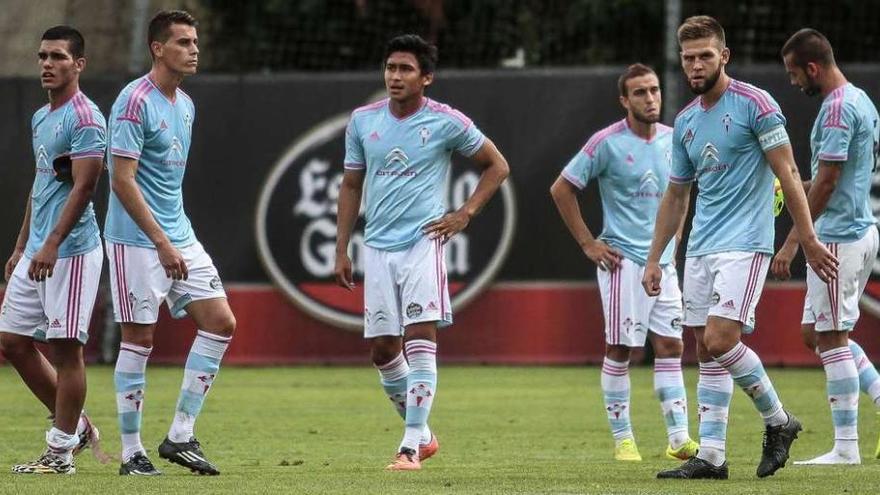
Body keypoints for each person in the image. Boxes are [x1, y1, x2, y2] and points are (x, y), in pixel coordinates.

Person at [643, 15, 838, 480]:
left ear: (723, 56)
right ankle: (711, 456)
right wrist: (655, 257)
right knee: (703, 349)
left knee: (720, 339)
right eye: (688, 58)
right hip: (701, 247)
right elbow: (676, 194)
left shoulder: (756, 104)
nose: (695, 66)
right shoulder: (686, 121)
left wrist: (805, 237)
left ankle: (779, 420)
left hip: (745, 243)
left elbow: (790, 174)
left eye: (704, 56)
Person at [334, 34, 509, 471]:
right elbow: (352, 184)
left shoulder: (446, 121)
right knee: (382, 349)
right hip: (375, 245)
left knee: (421, 335)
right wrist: (342, 247)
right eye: (391, 67)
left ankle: (409, 445)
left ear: (426, 77)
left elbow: (497, 165)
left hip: (422, 241)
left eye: (405, 69)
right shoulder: (361, 121)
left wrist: (465, 213)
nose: (395, 76)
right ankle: (425, 434)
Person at [105, 10, 235, 476]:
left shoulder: (185, 104)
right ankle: (131, 452)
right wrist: (159, 240)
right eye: (182, 42)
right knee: (139, 338)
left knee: (220, 322)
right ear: (158, 49)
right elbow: (122, 179)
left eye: (195, 41)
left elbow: (166, 184)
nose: (193, 49)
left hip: (178, 235)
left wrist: (172, 237)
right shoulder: (132, 101)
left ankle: (180, 435)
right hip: (136, 241)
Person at [550, 64, 698, 463]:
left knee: (671, 345)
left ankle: (679, 439)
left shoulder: (674, 140)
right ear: (624, 100)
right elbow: (562, 188)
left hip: (662, 263)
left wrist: (676, 237)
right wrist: (588, 243)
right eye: (640, 93)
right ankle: (624, 439)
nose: (650, 99)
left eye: (654, 90)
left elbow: (680, 195)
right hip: (622, 262)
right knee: (622, 349)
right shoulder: (606, 143)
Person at [1, 25, 105, 475]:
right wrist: (23, 244)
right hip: (39, 250)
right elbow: (42, 181)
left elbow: (84, 188)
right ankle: (77, 428)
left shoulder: (87, 118)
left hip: (73, 252)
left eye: (59, 56)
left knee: (65, 349)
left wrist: (51, 244)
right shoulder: (42, 118)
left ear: (78, 64)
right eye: (43, 56)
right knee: (11, 341)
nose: (48, 64)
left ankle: (60, 453)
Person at [773, 28, 880, 465]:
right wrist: (799, 185)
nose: (794, 82)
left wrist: (795, 240)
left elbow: (831, 181)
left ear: (812, 68)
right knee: (814, 335)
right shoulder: (860, 100)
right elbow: (834, 175)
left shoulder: (836, 111)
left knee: (832, 338)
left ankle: (846, 449)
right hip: (855, 230)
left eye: (795, 73)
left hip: (836, 238)